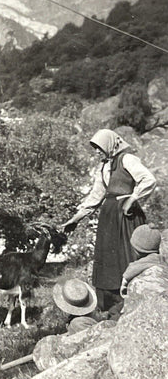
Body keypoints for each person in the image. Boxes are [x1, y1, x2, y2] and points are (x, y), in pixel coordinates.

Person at [62, 129, 156, 313]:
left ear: (109, 145)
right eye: (95, 148)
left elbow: (148, 180)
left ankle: (129, 302)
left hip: (126, 216)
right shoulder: (104, 167)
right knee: (108, 259)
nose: (97, 152)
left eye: (99, 147)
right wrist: (76, 218)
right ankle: (110, 306)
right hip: (109, 217)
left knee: (126, 256)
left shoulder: (127, 159)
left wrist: (132, 198)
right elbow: (96, 196)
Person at [120, 223, 163, 297]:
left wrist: (125, 279)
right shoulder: (160, 259)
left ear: (136, 250)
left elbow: (134, 267)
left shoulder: (143, 264)